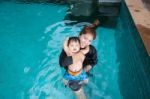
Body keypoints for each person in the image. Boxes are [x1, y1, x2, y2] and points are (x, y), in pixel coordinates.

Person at [59, 20, 100, 98]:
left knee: (86, 86)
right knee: (80, 95)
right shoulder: (70, 46)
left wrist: (88, 67)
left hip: (84, 72)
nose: (86, 42)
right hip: (71, 75)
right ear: (79, 35)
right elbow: (62, 63)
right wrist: (80, 54)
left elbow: (94, 61)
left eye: (90, 41)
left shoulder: (91, 50)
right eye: (85, 38)